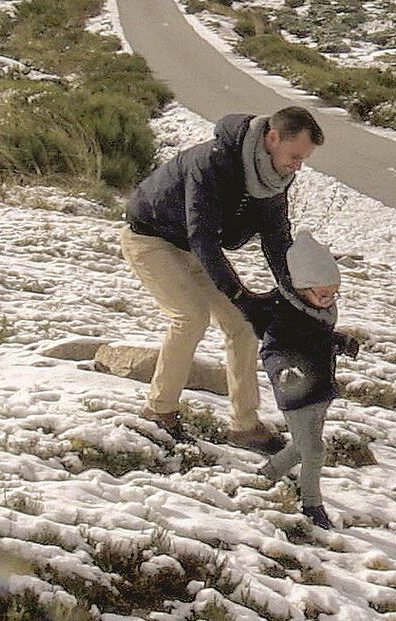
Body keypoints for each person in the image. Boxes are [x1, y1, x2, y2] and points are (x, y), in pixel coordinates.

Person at [120, 107, 324, 450]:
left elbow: (276, 239)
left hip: (193, 249)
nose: (298, 165)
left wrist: (297, 293)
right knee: (191, 317)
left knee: (242, 325)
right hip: (150, 238)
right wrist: (241, 294)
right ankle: (158, 412)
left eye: (303, 158)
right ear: (272, 138)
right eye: (295, 155)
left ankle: (244, 427)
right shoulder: (213, 163)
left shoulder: (273, 177)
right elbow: (204, 238)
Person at [256, 230, 359, 530]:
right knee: (314, 449)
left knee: (302, 447)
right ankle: (311, 504)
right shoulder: (285, 316)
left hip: (319, 389)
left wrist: (339, 342)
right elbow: (272, 349)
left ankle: (266, 475)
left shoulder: (318, 311)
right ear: (302, 288)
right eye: (324, 294)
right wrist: (282, 371)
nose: (330, 300)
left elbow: (317, 340)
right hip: (296, 392)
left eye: (333, 293)